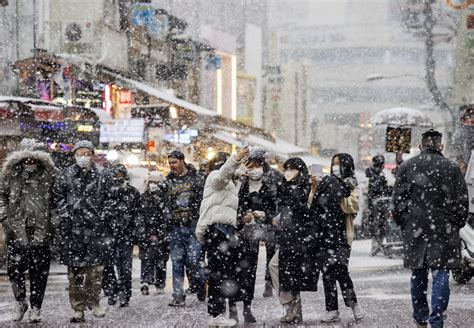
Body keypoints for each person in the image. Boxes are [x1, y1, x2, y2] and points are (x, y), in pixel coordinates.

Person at [392, 129, 468, 328]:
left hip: (416, 227)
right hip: (444, 228)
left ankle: (421, 317)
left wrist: (406, 223)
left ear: (421, 145)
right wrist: (455, 223)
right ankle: (436, 319)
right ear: (440, 146)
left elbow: (398, 202)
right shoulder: (452, 168)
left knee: (418, 273)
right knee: (441, 273)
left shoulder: (407, 167)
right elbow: (462, 203)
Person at [53, 140, 114, 322]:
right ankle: (78, 308)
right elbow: (58, 197)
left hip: (95, 231)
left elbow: (110, 198)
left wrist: (103, 216)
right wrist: (66, 215)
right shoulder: (66, 175)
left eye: (87, 153)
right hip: (73, 231)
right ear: (74, 155)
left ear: (93, 155)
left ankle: (95, 302)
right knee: (75, 273)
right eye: (80, 153)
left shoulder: (103, 174)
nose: (83, 157)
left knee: (95, 271)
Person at [0, 139, 59, 323]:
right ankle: (20, 301)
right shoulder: (10, 175)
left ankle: (36, 307)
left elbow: (58, 199)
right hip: (16, 229)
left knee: (39, 271)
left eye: (33, 160)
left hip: (41, 230)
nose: (29, 163)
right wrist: (4, 217)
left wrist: (53, 220)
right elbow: (1, 195)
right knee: (15, 270)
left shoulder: (50, 176)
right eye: (26, 160)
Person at [195, 147, 249, 328]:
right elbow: (222, 176)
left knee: (226, 273)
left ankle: (220, 312)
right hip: (216, 232)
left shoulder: (230, 183)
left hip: (225, 232)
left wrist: (240, 170)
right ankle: (216, 313)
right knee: (218, 274)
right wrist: (235, 159)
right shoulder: (215, 178)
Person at [311, 153, 364, 323]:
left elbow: (352, 207)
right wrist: (315, 190)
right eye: (333, 163)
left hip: (341, 235)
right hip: (324, 234)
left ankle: (353, 303)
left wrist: (335, 194)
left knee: (340, 270)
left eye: (338, 164)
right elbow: (314, 205)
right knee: (327, 272)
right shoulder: (326, 182)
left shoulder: (352, 184)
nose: (335, 167)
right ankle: (331, 309)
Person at [269, 157, 319, 325]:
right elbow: (282, 208)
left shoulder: (306, 186)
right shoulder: (284, 187)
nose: (288, 171)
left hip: (301, 238)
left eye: (292, 168)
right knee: (282, 271)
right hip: (287, 238)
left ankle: (293, 309)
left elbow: (304, 209)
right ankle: (292, 307)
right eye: (286, 168)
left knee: (291, 274)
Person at [234, 147, 281, 323]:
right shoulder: (241, 180)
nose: (251, 168)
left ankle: (266, 286)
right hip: (245, 230)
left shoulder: (273, 177)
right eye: (248, 164)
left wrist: (265, 215)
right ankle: (241, 305)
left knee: (270, 258)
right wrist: (241, 218)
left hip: (267, 227)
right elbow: (232, 203)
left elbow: (277, 205)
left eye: (254, 164)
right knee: (245, 268)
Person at [163, 150, 206, 306]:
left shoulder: (197, 178)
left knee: (195, 261)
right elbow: (164, 204)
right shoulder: (168, 181)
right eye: (170, 163)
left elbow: (204, 201)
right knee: (177, 262)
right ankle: (178, 295)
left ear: (182, 161)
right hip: (175, 227)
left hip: (193, 227)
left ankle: (201, 285)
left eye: (174, 162)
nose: (172, 166)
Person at [102, 164, 143, 307]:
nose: (117, 177)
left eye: (119, 174)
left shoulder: (133, 192)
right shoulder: (105, 192)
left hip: (126, 235)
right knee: (108, 266)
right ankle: (112, 291)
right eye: (114, 174)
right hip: (108, 234)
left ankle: (124, 293)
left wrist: (136, 232)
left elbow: (138, 214)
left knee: (125, 267)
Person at [139, 171, 169, 295]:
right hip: (146, 233)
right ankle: (145, 281)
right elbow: (140, 216)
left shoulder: (165, 198)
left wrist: (161, 233)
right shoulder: (143, 197)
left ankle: (160, 284)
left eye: (156, 182)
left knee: (161, 260)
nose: (153, 184)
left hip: (162, 234)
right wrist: (145, 232)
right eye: (151, 182)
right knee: (146, 258)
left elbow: (166, 217)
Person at [365, 155, 392, 255]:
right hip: (376, 203)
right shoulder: (374, 173)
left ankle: (378, 243)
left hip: (379, 203)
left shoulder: (380, 173)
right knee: (377, 224)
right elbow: (377, 188)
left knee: (380, 224)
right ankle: (377, 244)